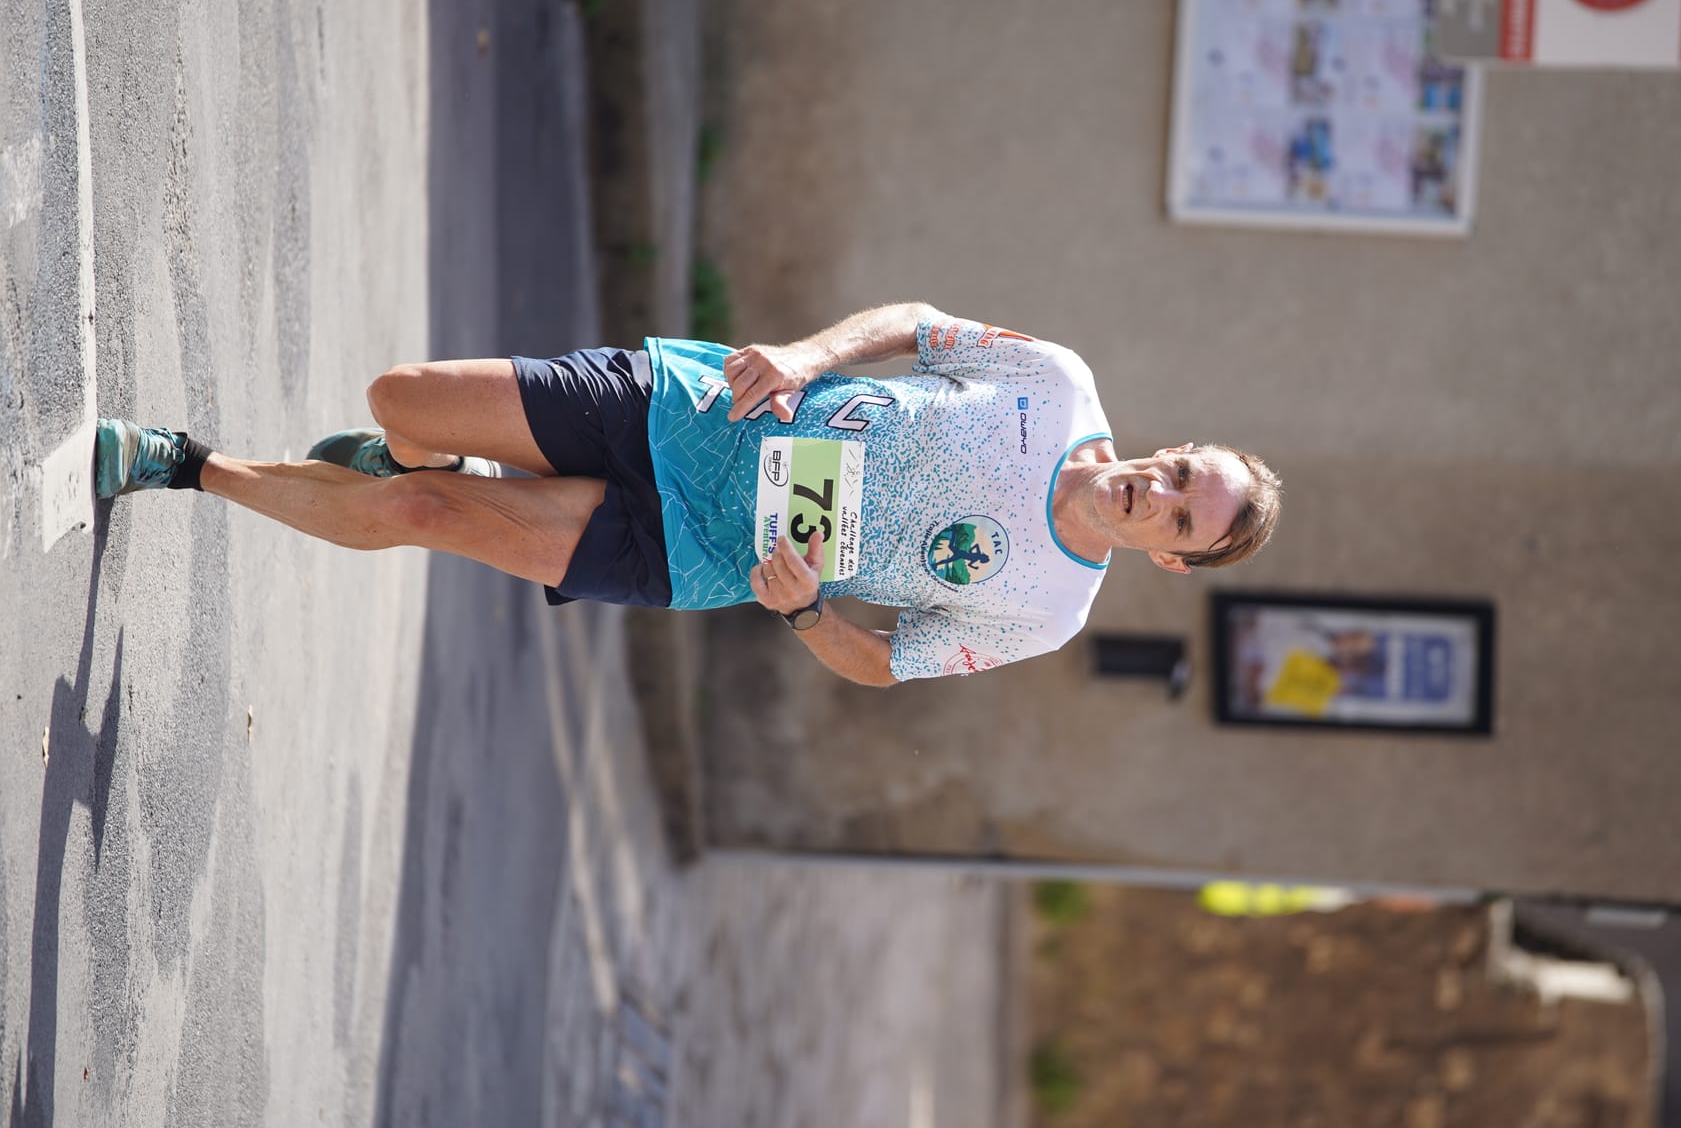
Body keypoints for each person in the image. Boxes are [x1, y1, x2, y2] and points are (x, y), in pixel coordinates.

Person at [94, 303, 1281, 685]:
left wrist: (808, 611)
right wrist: (813, 359)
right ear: (1170, 448)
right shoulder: (1055, 383)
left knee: (428, 519)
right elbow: (915, 325)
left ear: (1170, 558)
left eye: (1179, 516)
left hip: (703, 546)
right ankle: (400, 450)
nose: (1155, 492)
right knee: (402, 396)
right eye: (1179, 472)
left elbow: (884, 663)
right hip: (702, 407)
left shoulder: (1046, 610)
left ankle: (183, 462)